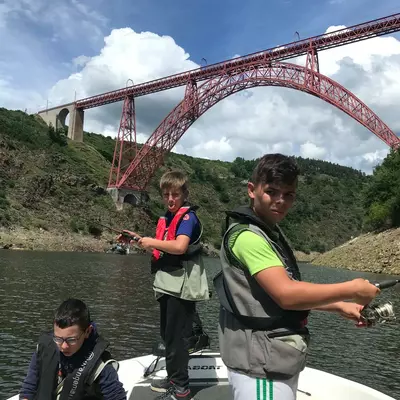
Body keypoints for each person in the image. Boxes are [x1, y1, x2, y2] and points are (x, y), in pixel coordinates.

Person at [214, 153, 380, 400]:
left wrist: (339, 307)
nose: (281, 201)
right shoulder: (249, 238)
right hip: (260, 368)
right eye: (272, 191)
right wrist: (352, 289)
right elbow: (286, 295)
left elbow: (283, 291)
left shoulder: (269, 233)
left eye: (288, 194)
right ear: (252, 190)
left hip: (273, 359)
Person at [122, 170, 209, 400]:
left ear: (184, 194)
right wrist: (138, 238)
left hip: (181, 287)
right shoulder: (169, 218)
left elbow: (180, 247)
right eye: (166, 195)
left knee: (178, 337)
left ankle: (181, 387)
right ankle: (173, 377)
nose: (171, 199)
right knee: (168, 335)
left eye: (176, 195)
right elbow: (162, 245)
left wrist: (151, 242)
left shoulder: (187, 219)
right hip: (168, 284)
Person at [19, 298, 126, 400]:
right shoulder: (44, 349)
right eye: (58, 339)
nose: (64, 346)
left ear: (88, 332)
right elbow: (28, 389)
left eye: (71, 340)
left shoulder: (101, 366)